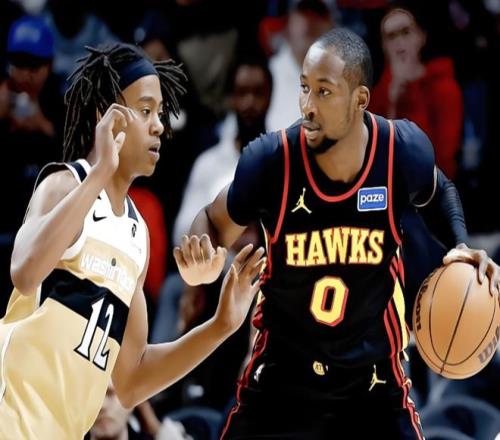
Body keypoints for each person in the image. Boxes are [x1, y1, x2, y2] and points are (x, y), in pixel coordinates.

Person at [175, 28, 500, 439]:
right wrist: (200, 261)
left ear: (359, 99)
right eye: (304, 88)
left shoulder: (400, 149)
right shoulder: (272, 160)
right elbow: (210, 218)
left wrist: (460, 244)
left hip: (373, 383)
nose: (308, 105)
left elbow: (437, 192)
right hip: (283, 381)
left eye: (324, 91)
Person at [0, 42, 265, 439]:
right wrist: (100, 172)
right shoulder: (64, 185)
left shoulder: (136, 235)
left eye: (159, 113)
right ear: (105, 116)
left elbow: (132, 381)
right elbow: (24, 272)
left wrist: (221, 325)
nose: (158, 125)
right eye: (144, 111)